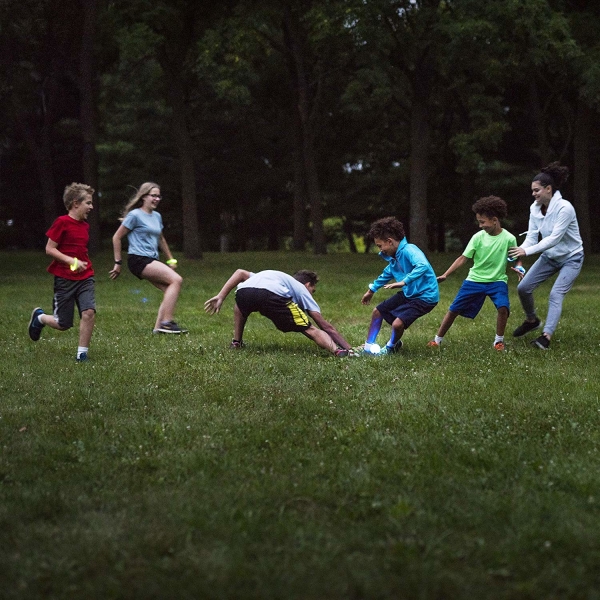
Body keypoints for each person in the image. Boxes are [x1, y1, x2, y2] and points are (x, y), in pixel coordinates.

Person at [427, 196, 519, 351]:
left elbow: (516, 258)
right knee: (454, 309)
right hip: (474, 280)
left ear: (494, 220)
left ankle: (498, 341)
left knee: (503, 308)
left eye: (482, 222)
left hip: (497, 281)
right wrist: (445, 274)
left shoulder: (509, 238)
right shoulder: (477, 237)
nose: (480, 225)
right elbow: (463, 258)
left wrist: (519, 267)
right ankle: (437, 340)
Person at [508, 162, 584, 350]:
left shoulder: (565, 208)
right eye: (532, 191)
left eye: (537, 190)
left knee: (555, 294)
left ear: (548, 189)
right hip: (550, 257)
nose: (533, 194)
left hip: (571, 257)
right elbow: (533, 236)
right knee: (523, 288)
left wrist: (528, 251)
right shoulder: (535, 208)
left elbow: (554, 239)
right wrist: (520, 250)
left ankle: (546, 337)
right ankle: (532, 320)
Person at [204, 269, 354, 357]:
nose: (312, 294)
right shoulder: (302, 290)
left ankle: (236, 342)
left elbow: (240, 272)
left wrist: (221, 296)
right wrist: (349, 347)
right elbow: (325, 326)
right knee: (310, 328)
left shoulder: (271, 276)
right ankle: (338, 351)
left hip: (244, 292)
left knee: (240, 305)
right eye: (313, 291)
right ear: (308, 285)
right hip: (273, 295)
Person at [28, 183, 96, 362]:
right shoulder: (62, 222)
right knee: (63, 323)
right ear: (75, 203)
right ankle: (40, 317)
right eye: (88, 203)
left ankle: (82, 354)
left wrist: (81, 263)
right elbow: (49, 249)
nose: (91, 207)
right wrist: (71, 261)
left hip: (85, 276)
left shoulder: (85, 226)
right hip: (65, 279)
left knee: (89, 312)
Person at [110, 182, 187, 334]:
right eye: (153, 196)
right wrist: (118, 262)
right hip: (138, 259)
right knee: (176, 280)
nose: (157, 199)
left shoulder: (157, 216)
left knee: (170, 289)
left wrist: (170, 258)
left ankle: (158, 328)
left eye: (159, 196)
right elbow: (116, 237)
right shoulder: (135, 215)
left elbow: (161, 239)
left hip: (152, 259)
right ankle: (167, 323)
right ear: (144, 197)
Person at [358, 216, 439, 355]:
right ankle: (368, 347)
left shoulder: (409, 250)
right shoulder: (395, 256)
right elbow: (387, 273)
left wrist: (404, 281)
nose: (380, 250)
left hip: (425, 297)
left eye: (379, 245)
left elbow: (423, 265)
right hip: (409, 293)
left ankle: (390, 347)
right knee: (377, 312)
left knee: (397, 324)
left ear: (389, 241)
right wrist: (371, 290)